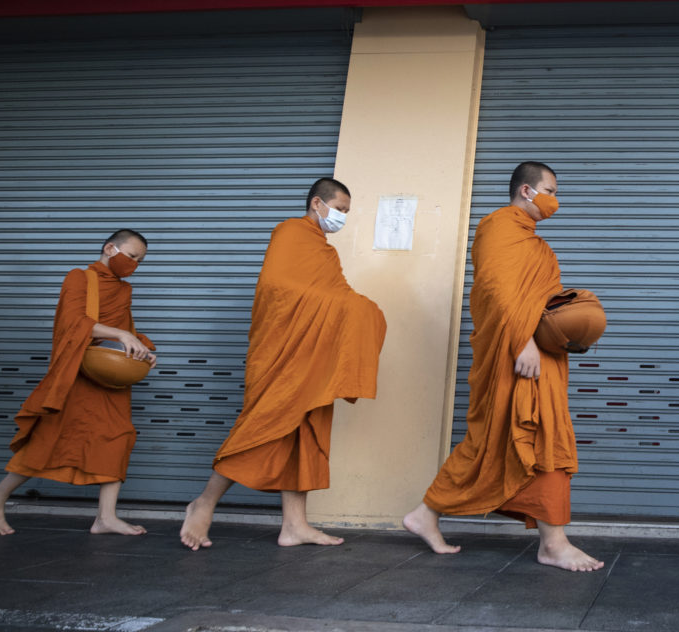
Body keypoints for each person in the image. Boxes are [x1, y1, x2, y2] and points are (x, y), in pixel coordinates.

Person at [404, 161, 603, 572]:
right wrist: (523, 341)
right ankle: (554, 543)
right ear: (527, 191)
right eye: (551, 188)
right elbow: (495, 290)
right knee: (533, 437)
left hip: (540, 355)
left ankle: (425, 514)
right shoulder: (498, 227)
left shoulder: (537, 245)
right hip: (515, 354)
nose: (556, 198)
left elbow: (541, 303)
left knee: (495, 442)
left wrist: (565, 333)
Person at [180, 177, 386, 551]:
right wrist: (345, 307)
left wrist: (361, 311)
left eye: (347, 213)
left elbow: (337, 294)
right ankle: (203, 502)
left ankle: (294, 525)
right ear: (316, 204)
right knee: (261, 427)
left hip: (311, 356)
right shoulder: (289, 233)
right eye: (340, 209)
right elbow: (278, 290)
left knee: (302, 434)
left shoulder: (326, 253)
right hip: (282, 353)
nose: (343, 217)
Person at [0, 230, 157, 537]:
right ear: (110, 248)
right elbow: (72, 323)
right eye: (131, 256)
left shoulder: (123, 289)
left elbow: (124, 327)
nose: (134, 264)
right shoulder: (79, 278)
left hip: (108, 377)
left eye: (140, 261)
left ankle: (106, 516)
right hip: (76, 373)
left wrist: (143, 347)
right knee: (50, 439)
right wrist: (121, 335)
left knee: (118, 436)